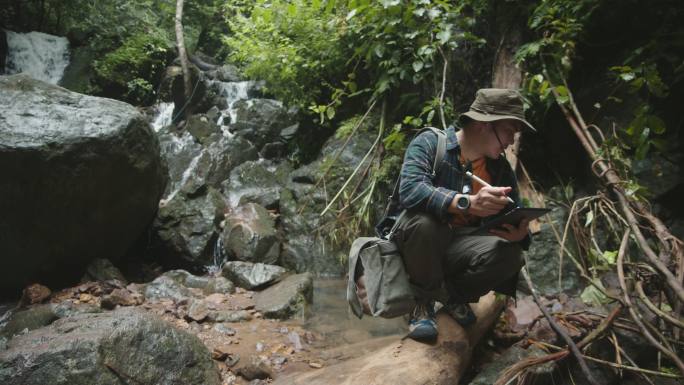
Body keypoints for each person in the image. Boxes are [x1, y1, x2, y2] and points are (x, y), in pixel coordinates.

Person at [394, 88, 536, 341]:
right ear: (484, 124)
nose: (512, 141)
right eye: (508, 131)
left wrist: (518, 234)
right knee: (426, 224)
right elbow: (411, 190)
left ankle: (448, 297)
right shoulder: (430, 143)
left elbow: (514, 210)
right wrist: (465, 203)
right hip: (416, 248)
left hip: (458, 249)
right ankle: (422, 303)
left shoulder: (499, 168)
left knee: (510, 254)